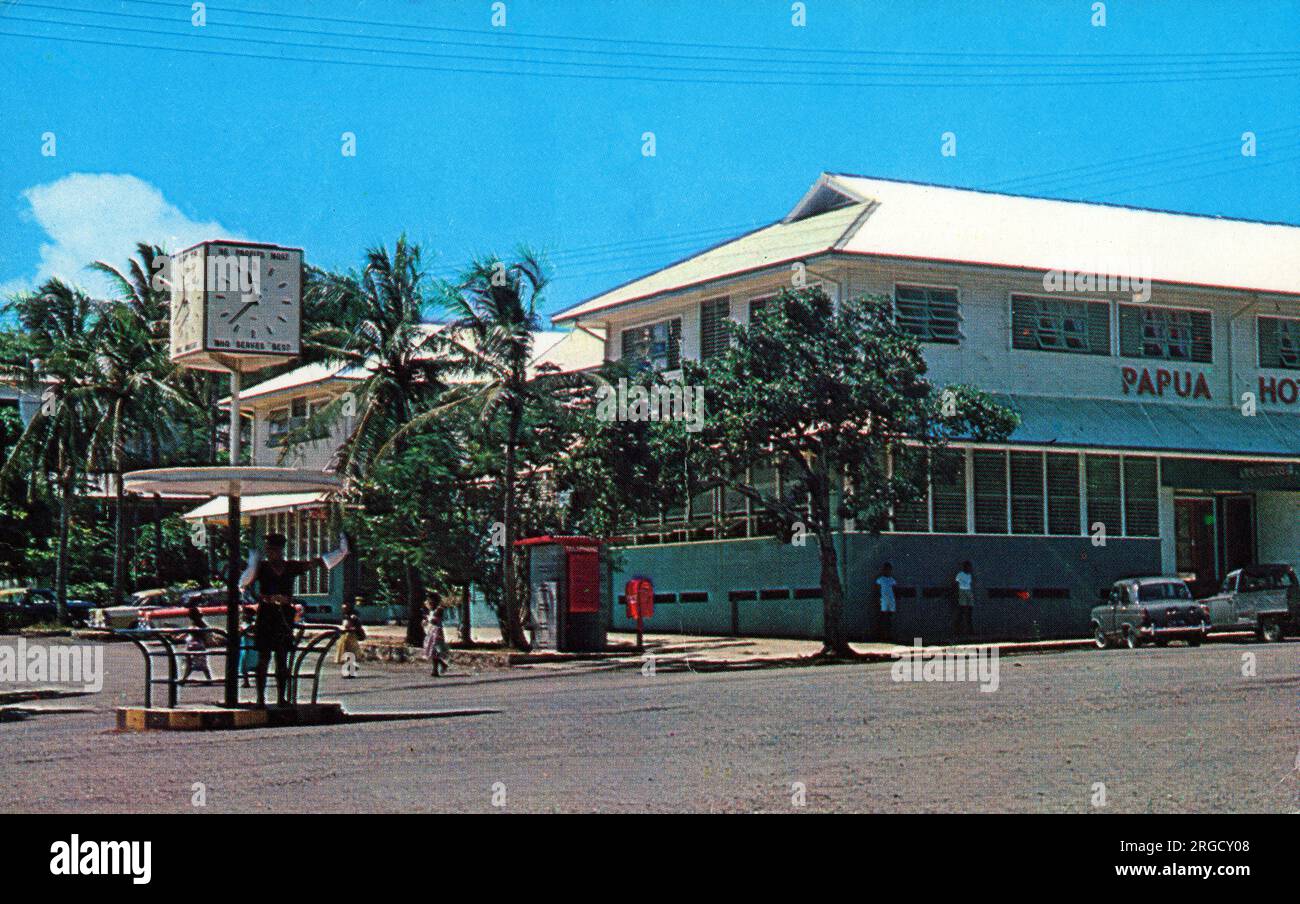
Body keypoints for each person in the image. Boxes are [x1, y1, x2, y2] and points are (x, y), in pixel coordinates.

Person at [240, 531, 349, 706]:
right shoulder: (262, 568)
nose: (270, 553)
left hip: (283, 614)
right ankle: (260, 698)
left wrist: (341, 550)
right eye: (268, 549)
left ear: (280, 550)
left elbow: (318, 563)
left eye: (273, 549)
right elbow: (245, 581)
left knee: (282, 659)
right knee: (263, 658)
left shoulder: (290, 567)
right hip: (266, 613)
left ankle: (281, 698)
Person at [180, 606, 212, 684]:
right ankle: (208, 679)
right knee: (198, 663)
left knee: (190, 662)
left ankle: (184, 679)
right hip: (196, 644)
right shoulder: (200, 624)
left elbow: (187, 633)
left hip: (194, 644)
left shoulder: (197, 625)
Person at [335, 601, 366, 675]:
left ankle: (350, 671)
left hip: (350, 636)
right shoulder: (346, 616)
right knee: (348, 655)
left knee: (350, 654)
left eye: (345, 608)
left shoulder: (352, 616)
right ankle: (349, 671)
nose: (343, 609)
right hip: (346, 636)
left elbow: (350, 626)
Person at [423, 604, 449, 677]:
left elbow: (433, 621)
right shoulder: (433, 615)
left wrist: (427, 619)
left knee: (434, 652)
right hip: (432, 635)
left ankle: (436, 669)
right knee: (433, 653)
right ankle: (440, 666)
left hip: (436, 636)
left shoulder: (437, 615)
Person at [237, 606, 258, 689]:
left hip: (252, 645)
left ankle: (256, 680)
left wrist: (246, 633)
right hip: (244, 645)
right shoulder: (243, 624)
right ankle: (246, 682)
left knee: (255, 664)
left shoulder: (253, 625)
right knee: (244, 663)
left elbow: (255, 635)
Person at [875, 562, 897, 642]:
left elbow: (894, 590)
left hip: (891, 601)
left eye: (889, 570)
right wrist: (878, 600)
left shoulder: (892, 580)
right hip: (883, 601)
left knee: (889, 619)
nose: (888, 571)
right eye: (886, 569)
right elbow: (877, 590)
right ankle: (882, 636)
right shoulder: (880, 580)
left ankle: (889, 635)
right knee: (883, 618)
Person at [954, 560, 975, 637]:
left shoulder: (970, 575)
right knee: (962, 611)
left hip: (968, 593)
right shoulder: (960, 575)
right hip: (962, 592)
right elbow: (956, 584)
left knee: (969, 612)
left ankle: (969, 629)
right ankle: (959, 629)